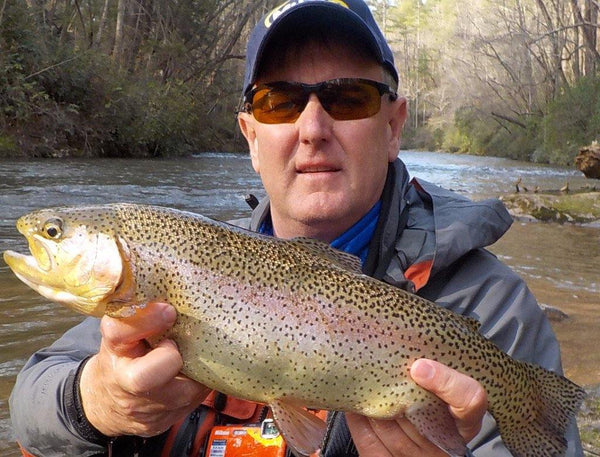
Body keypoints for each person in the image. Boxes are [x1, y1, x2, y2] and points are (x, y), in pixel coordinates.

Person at [10, 1, 582, 456]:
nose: (312, 128)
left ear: (393, 126)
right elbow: (29, 404)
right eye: (280, 102)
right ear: (250, 136)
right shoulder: (177, 261)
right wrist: (96, 402)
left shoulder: (494, 309)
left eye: (347, 98)